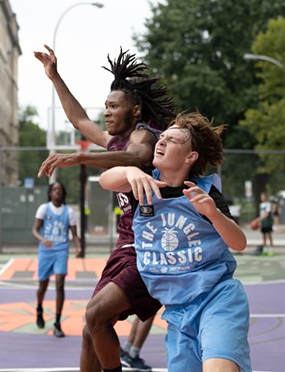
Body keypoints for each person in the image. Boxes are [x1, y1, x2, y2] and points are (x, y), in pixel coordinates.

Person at [34, 45, 175, 372]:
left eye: (114, 106)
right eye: (106, 106)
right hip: (124, 247)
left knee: (95, 316)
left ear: (135, 110)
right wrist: (55, 77)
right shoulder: (113, 142)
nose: (107, 112)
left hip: (150, 248)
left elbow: (137, 158)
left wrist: (80, 157)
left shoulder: (144, 136)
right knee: (90, 330)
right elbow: (80, 119)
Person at [99, 112, 252, 372]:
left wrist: (213, 213)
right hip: (177, 311)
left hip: (216, 299)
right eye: (163, 137)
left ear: (190, 157)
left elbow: (239, 243)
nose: (161, 141)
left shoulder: (204, 192)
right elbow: (105, 181)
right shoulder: (143, 184)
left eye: (172, 140)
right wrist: (129, 170)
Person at [32, 182, 81, 337]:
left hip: (61, 250)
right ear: (50, 193)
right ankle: (39, 309)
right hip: (46, 251)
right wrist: (42, 239)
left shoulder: (69, 212)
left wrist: (78, 247)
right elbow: (34, 230)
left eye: (60, 190)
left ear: (63, 193)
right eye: (54, 189)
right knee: (43, 286)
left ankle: (57, 322)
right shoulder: (44, 209)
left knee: (59, 284)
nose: (57, 192)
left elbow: (74, 234)